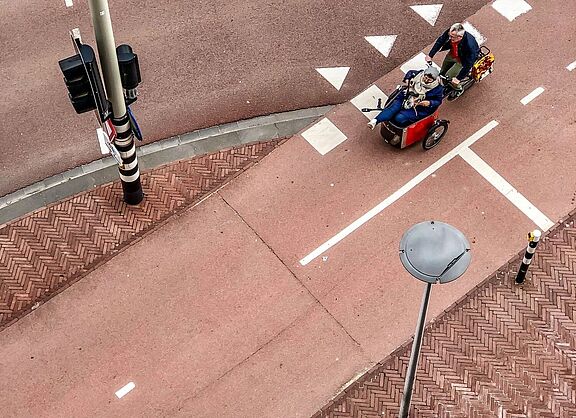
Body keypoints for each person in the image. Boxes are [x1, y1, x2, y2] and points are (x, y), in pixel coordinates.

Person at [367, 66, 444, 129]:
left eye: (429, 80)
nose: (426, 80)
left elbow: (438, 101)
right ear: (424, 74)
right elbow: (410, 73)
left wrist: (429, 103)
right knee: (392, 109)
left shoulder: (438, 89)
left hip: (418, 107)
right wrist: (408, 81)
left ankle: (406, 124)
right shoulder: (419, 74)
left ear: (434, 80)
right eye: (425, 77)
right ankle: (375, 121)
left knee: (398, 118)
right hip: (405, 97)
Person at [425, 23, 480, 93]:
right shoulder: (452, 31)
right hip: (452, 54)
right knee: (442, 73)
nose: (450, 38)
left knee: (449, 76)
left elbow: (468, 64)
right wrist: (430, 55)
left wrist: (458, 78)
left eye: (452, 37)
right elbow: (441, 41)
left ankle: (459, 88)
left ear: (460, 37)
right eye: (450, 35)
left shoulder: (470, 46)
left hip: (462, 61)